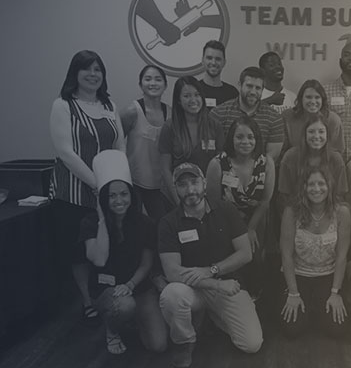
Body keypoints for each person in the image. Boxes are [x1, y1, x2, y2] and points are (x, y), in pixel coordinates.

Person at [158, 162, 263, 368]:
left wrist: (212, 271)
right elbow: (172, 272)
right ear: (176, 189)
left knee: (252, 344)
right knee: (171, 295)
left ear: (204, 183)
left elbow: (245, 253)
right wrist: (214, 283)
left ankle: (211, 315)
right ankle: (185, 342)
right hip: (193, 288)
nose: (190, 190)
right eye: (182, 185)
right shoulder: (168, 223)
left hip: (228, 285)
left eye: (195, 182)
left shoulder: (225, 209)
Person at [49, 50, 126, 320]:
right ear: (75, 73)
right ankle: (86, 299)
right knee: (79, 250)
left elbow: (120, 145)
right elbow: (65, 152)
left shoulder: (109, 105)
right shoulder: (63, 105)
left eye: (98, 70)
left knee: (107, 244)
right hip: (74, 191)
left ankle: (109, 296)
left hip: (106, 188)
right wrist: (97, 183)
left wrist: (117, 181)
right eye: (87, 69)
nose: (93, 75)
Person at [81, 150, 167, 354]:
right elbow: (99, 259)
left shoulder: (144, 223)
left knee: (158, 345)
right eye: (111, 196)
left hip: (138, 287)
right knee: (125, 306)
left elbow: (147, 263)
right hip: (105, 289)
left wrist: (130, 284)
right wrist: (102, 218)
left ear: (131, 195)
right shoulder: (90, 223)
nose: (118, 200)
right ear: (103, 198)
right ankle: (112, 329)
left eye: (123, 194)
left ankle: (133, 318)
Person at [206, 117, 275, 295]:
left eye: (250, 137)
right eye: (240, 137)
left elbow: (266, 200)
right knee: (230, 263)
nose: (245, 142)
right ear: (231, 139)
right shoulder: (217, 164)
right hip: (225, 222)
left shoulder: (266, 163)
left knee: (256, 261)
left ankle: (255, 299)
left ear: (257, 139)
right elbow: (212, 203)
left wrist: (251, 229)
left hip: (256, 219)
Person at [279, 167, 351, 337]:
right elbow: (286, 255)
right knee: (292, 330)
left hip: (329, 276)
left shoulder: (342, 212)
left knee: (338, 329)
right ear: (303, 187)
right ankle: (310, 310)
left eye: (321, 183)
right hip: (298, 275)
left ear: (330, 186)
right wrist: (293, 293)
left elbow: (342, 256)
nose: (316, 189)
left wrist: (335, 293)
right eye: (311, 184)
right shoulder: (291, 212)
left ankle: (316, 310)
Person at [158, 76, 224, 205]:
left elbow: (220, 166)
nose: (193, 100)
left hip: (208, 196)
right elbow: (165, 169)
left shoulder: (215, 126)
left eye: (197, 95)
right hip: (178, 195)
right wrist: (178, 202)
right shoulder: (169, 127)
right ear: (178, 100)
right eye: (187, 96)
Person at [120, 65, 172, 221]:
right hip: (135, 184)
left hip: (161, 185)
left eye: (158, 79)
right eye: (148, 79)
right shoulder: (131, 111)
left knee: (162, 227)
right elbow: (115, 143)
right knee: (136, 227)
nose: (153, 83)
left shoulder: (170, 113)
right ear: (140, 84)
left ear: (165, 85)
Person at [209, 67, 284, 161]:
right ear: (240, 85)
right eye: (249, 86)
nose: (253, 92)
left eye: (258, 88)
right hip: (225, 171)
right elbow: (212, 153)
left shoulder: (274, 118)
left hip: (260, 172)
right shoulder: (219, 113)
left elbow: (271, 158)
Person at [278, 114, 348, 208]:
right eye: (311, 131)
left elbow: (340, 195)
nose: (316, 136)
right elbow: (284, 196)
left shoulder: (336, 159)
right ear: (304, 134)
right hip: (297, 211)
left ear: (327, 134)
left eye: (321, 131)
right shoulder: (290, 157)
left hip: (329, 212)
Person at [280, 79, 344, 158]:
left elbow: (337, 152)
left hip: (325, 166)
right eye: (308, 97)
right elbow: (282, 150)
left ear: (322, 100)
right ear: (301, 99)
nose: (313, 101)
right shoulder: (287, 117)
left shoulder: (333, 120)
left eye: (317, 97)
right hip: (294, 165)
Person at [197, 40, 239, 111]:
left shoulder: (232, 93)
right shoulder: (194, 90)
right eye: (209, 58)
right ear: (202, 61)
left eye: (218, 59)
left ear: (224, 63)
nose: (213, 63)